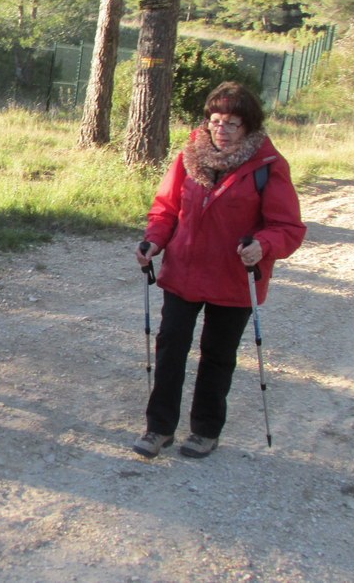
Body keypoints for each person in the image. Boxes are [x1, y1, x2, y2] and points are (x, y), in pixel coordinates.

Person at [132, 81, 305, 459]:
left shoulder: (267, 166)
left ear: (249, 126)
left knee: (217, 355)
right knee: (170, 349)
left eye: (232, 123)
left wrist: (264, 245)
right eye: (215, 121)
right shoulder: (188, 157)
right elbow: (166, 209)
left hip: (233, 279)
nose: (221, 130)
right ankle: (159, 428)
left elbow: (289, 228)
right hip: (184, 273)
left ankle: (205, 431)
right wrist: (154, 241)